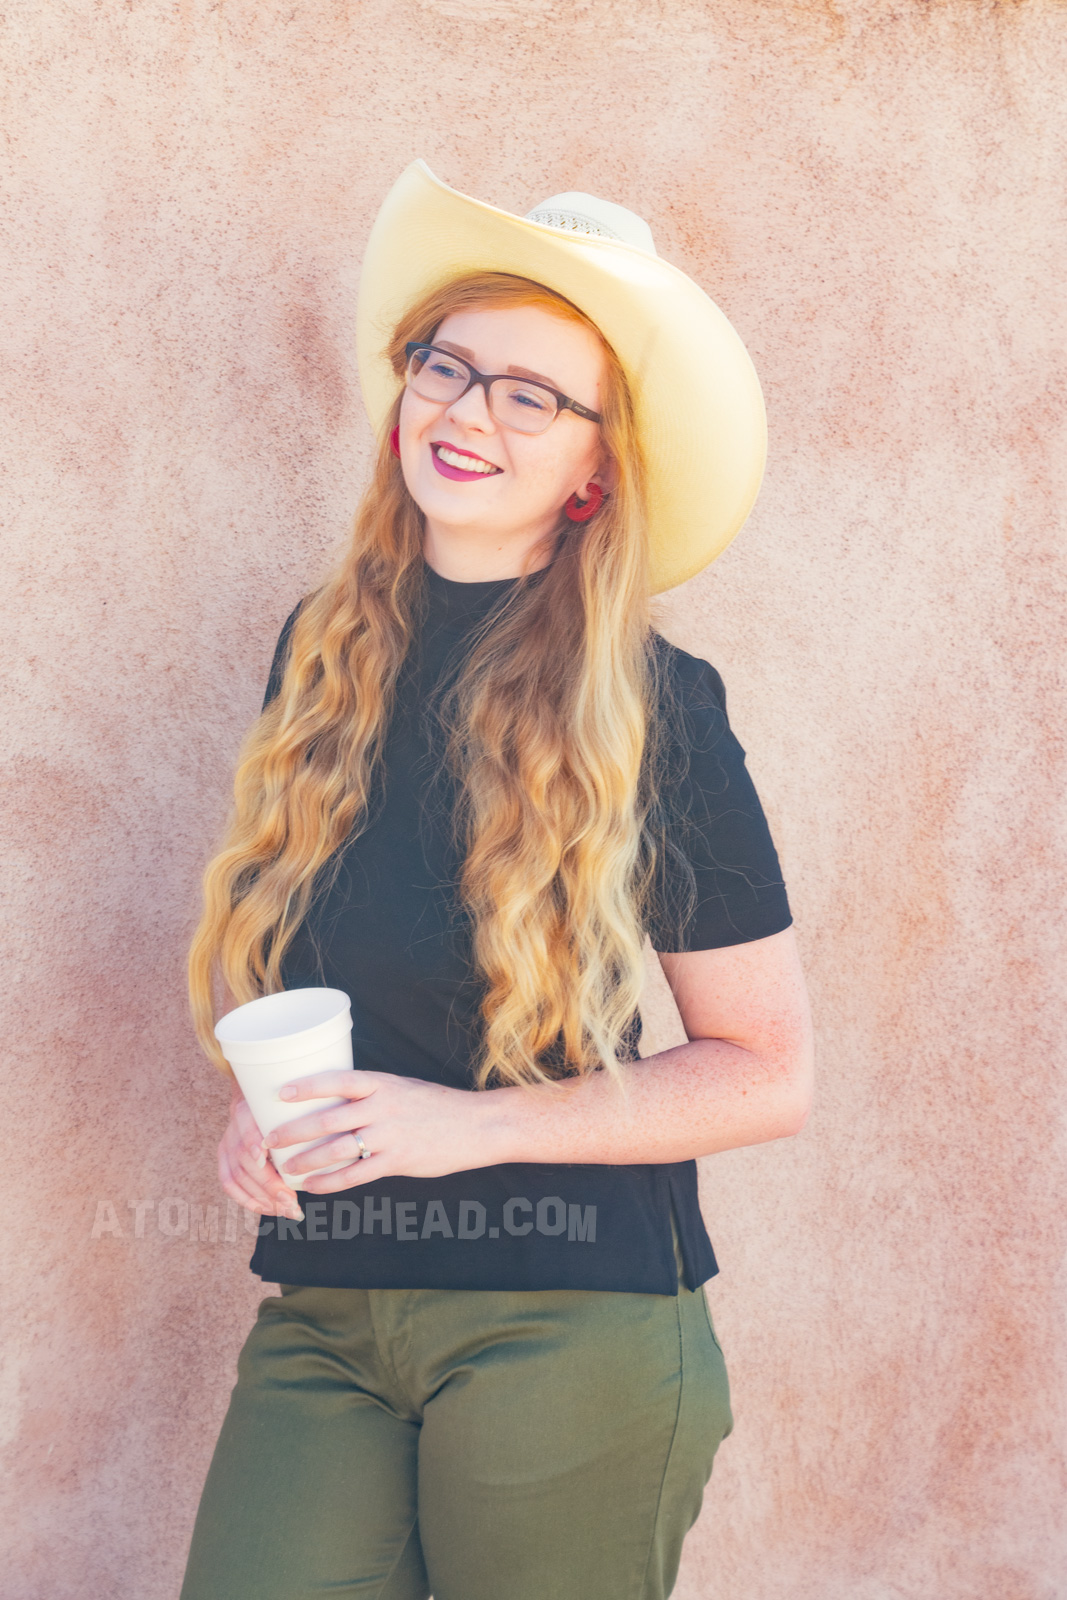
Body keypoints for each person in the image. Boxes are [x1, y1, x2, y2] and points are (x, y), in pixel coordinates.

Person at [179, 161, 814, 1600]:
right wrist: (258, 1123)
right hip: (331, 1306)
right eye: (448, 366)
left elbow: (767, 1073)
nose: (469, 412)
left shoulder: (655, 708)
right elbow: (337, 980)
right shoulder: (321, 656)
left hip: (572, 1321)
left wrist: (460, 1130)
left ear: (597, 469)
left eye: (533, 393)